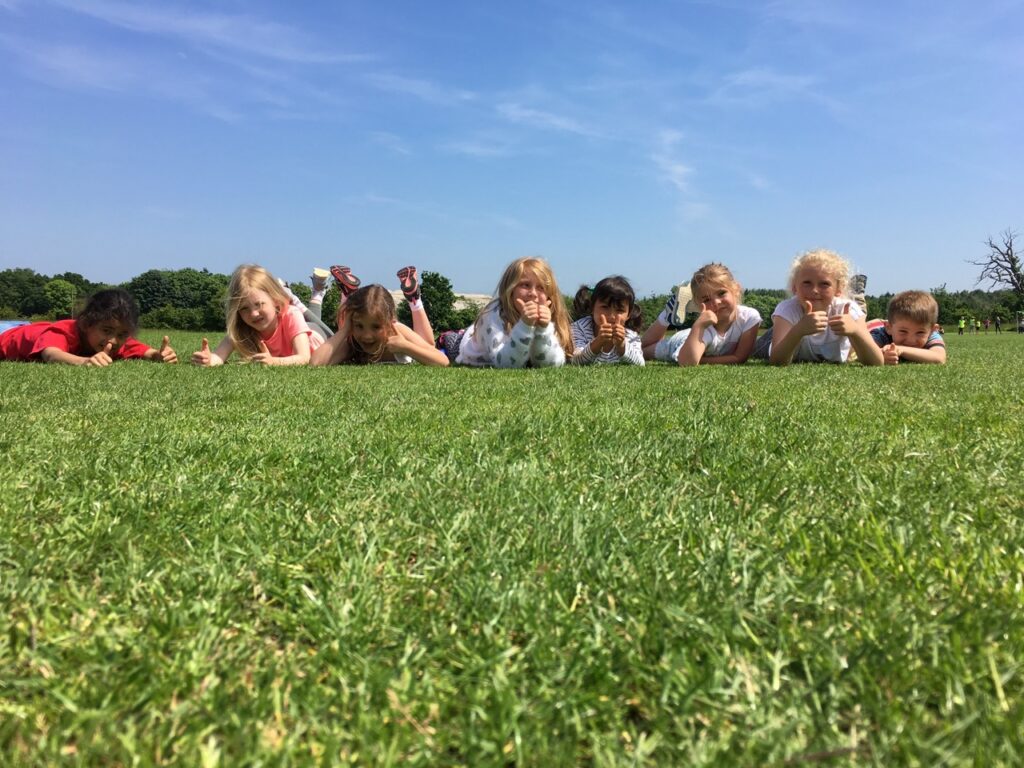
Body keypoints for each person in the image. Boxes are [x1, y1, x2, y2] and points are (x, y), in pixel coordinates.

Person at [761, 249, 882, 365]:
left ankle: (856, 293)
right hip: (776, 334)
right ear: (794, 287)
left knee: (858, 312)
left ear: (838, 289)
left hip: (847, 311)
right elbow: (776, 361)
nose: (814, 290)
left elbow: (877, 362)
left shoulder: (848, 310)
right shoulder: (787, 310)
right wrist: (799, 330)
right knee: (757, 350)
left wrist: (855, 331)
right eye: (807, 283)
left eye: (824, 284)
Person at [448, 256, 573, 368]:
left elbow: (550, 365)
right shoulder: (492, 314)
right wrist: (525, 325)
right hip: (462, 344)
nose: (533, 294)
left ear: (549, 296)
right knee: (448, 342)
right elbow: (507, 364)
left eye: (541, 288)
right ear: (510, 289)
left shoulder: (548, 316)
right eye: (525, 285)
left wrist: (543, 330)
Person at [0, 288, 177, 365]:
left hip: (28, 326)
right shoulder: (62, 332)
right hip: (7, 333)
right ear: (86, 324)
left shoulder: (117, 342)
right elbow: (51, 354)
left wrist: (159, 355)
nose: (114, 340)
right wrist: (84, 362)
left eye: (123, 334)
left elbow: (145, 352)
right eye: (106, 330)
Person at [192, 264, 324, 366]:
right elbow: (219, 356)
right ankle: (316, 293)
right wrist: (209, 360)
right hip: (300, 327)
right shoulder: (241, 329)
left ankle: (309, 295)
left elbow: (304, 357)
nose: (254, 314)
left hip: (319, 339)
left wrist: (274, 362)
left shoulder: (291, 315)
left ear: (275, 300)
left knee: (322, 326)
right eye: (244, 308)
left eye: (259, 304)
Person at [310, 275, 448, 366]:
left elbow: (442, 361)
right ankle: (347, 295)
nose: (367, 336)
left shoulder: (397, 332)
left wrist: (405, 346)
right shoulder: (353, 343)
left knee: (428, 342)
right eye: (359, 326)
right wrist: (345, 330)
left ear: (390, 322)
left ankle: (415, 300)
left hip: (407, 340)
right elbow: (315, 364)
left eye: (376, 327)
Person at [642, 263, 761, 366]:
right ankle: (667, 314)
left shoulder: (749, 317)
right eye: (706, 299)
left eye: (721, 293)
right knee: (641, 349)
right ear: (700, 305)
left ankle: (673, 310)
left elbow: (739, 358)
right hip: (683, 340)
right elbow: (687, 362)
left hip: (693, 334)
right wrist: (699, 326)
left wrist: (701, 360)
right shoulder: (705, 329)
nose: (716, 302)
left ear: (736, 290)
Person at [570, 276, 644, 365]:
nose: (612, 316)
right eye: (605, 307)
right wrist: (598, 342)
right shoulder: (579, 329)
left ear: (628, 314)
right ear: (592, 308)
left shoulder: (630, 336)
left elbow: (640, 363)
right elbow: (575, 360)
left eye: (619, 310)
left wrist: (622, 345)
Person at [866, 290, 946, 365]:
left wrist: (901, 349)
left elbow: (939, 358)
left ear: (932, 330)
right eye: (903, 331)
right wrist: (881, 354)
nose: (911, 340)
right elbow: (864, 353)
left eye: (920, 332)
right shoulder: (880, 334)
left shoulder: (931, 334)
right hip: (873, 326)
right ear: (889, 328)